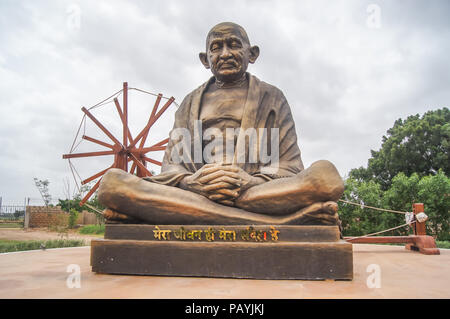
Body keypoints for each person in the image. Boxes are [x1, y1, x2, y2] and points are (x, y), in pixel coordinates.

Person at [98, 22, 344, 226]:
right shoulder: (190, 103)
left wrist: (249, 181)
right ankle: (281, 222)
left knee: (325, 177)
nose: (225, 53)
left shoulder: (272, 98)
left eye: (234, 45)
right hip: (196, 193)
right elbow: (171, 168)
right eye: (216, 48)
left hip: (254, 192)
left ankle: (186, 213)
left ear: (252, 53)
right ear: (206, 59)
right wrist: (191, 182)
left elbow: (290, 167)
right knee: (112, 185)